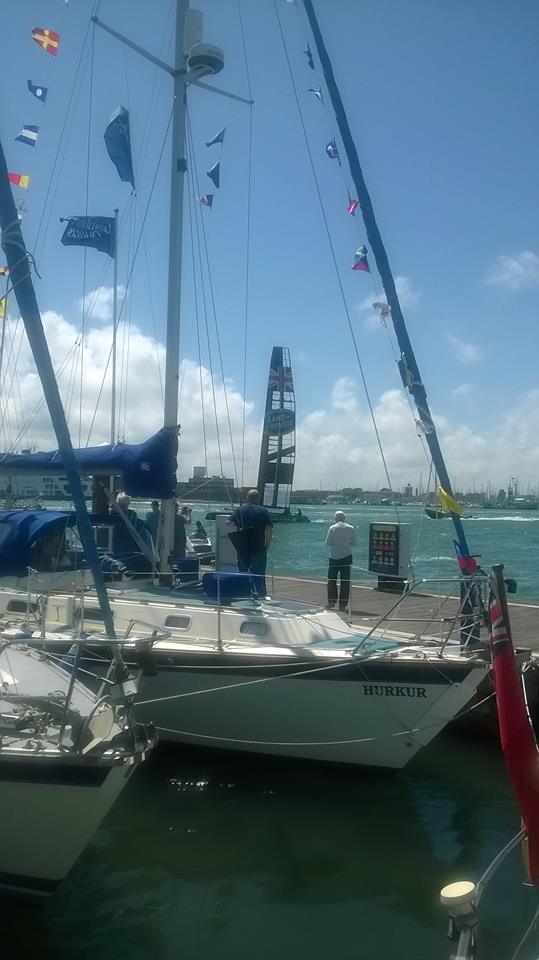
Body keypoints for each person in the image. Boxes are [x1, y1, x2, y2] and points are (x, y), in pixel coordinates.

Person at [229, 489, 272, 597]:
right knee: (259, 574)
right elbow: (268, 530)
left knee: (243, 572)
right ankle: (261, 595)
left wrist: (238, 524)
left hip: (243, 546)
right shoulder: (263, 511)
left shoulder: (240, 510)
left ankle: (244, 594)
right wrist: (267, 546)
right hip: (258, 547)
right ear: (258, 498)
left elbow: (228, 523)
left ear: (247, 498)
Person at [325, 510, 357, 611]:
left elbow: (327, 543)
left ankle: (331, 601)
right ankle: (343, 604)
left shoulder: (332, 528)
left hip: (334, 556)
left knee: (331, 580)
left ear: (335, 519)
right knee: (345, 581)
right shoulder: (351, 528)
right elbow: (354, 543)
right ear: (344, 518)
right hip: (347, 556)